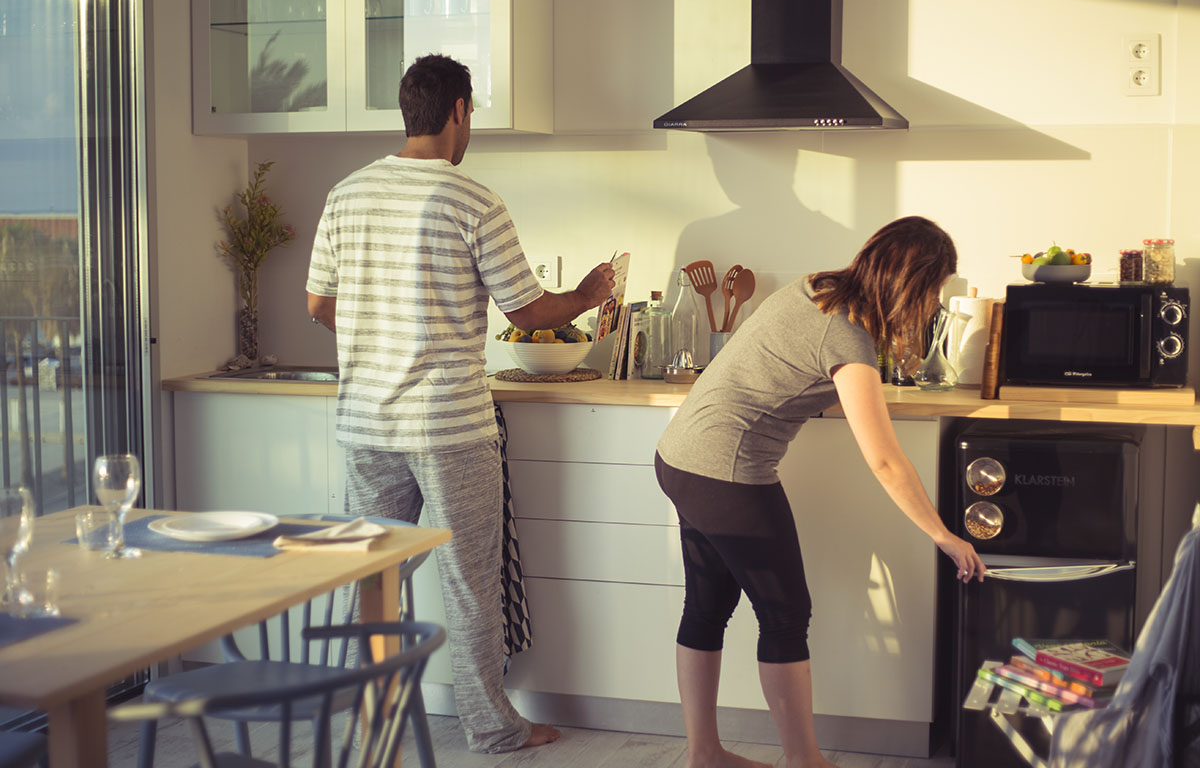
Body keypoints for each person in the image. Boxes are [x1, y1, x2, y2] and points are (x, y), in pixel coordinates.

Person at [305, 53, 615, 754]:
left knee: (374, 574)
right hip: (448, 424)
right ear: (459, 112)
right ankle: (491, 725)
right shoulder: (472, 200)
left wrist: (378, 335)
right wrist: (591, 293)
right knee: (469, 580)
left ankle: (372, 715)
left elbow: (319, 304)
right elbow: (529, 309)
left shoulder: (345, 194)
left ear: (407, 110)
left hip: (365, 422)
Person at [654, 216, 987, 768]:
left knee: (707, 606)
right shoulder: (849, 339)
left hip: (680, 457)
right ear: (912, 286)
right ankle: (804, 762)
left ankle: (705, 755)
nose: (933, 306)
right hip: (726, 472)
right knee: (785, 616)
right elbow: (883, 459)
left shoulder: (816, 287)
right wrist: (944, 535)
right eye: (934, 292)